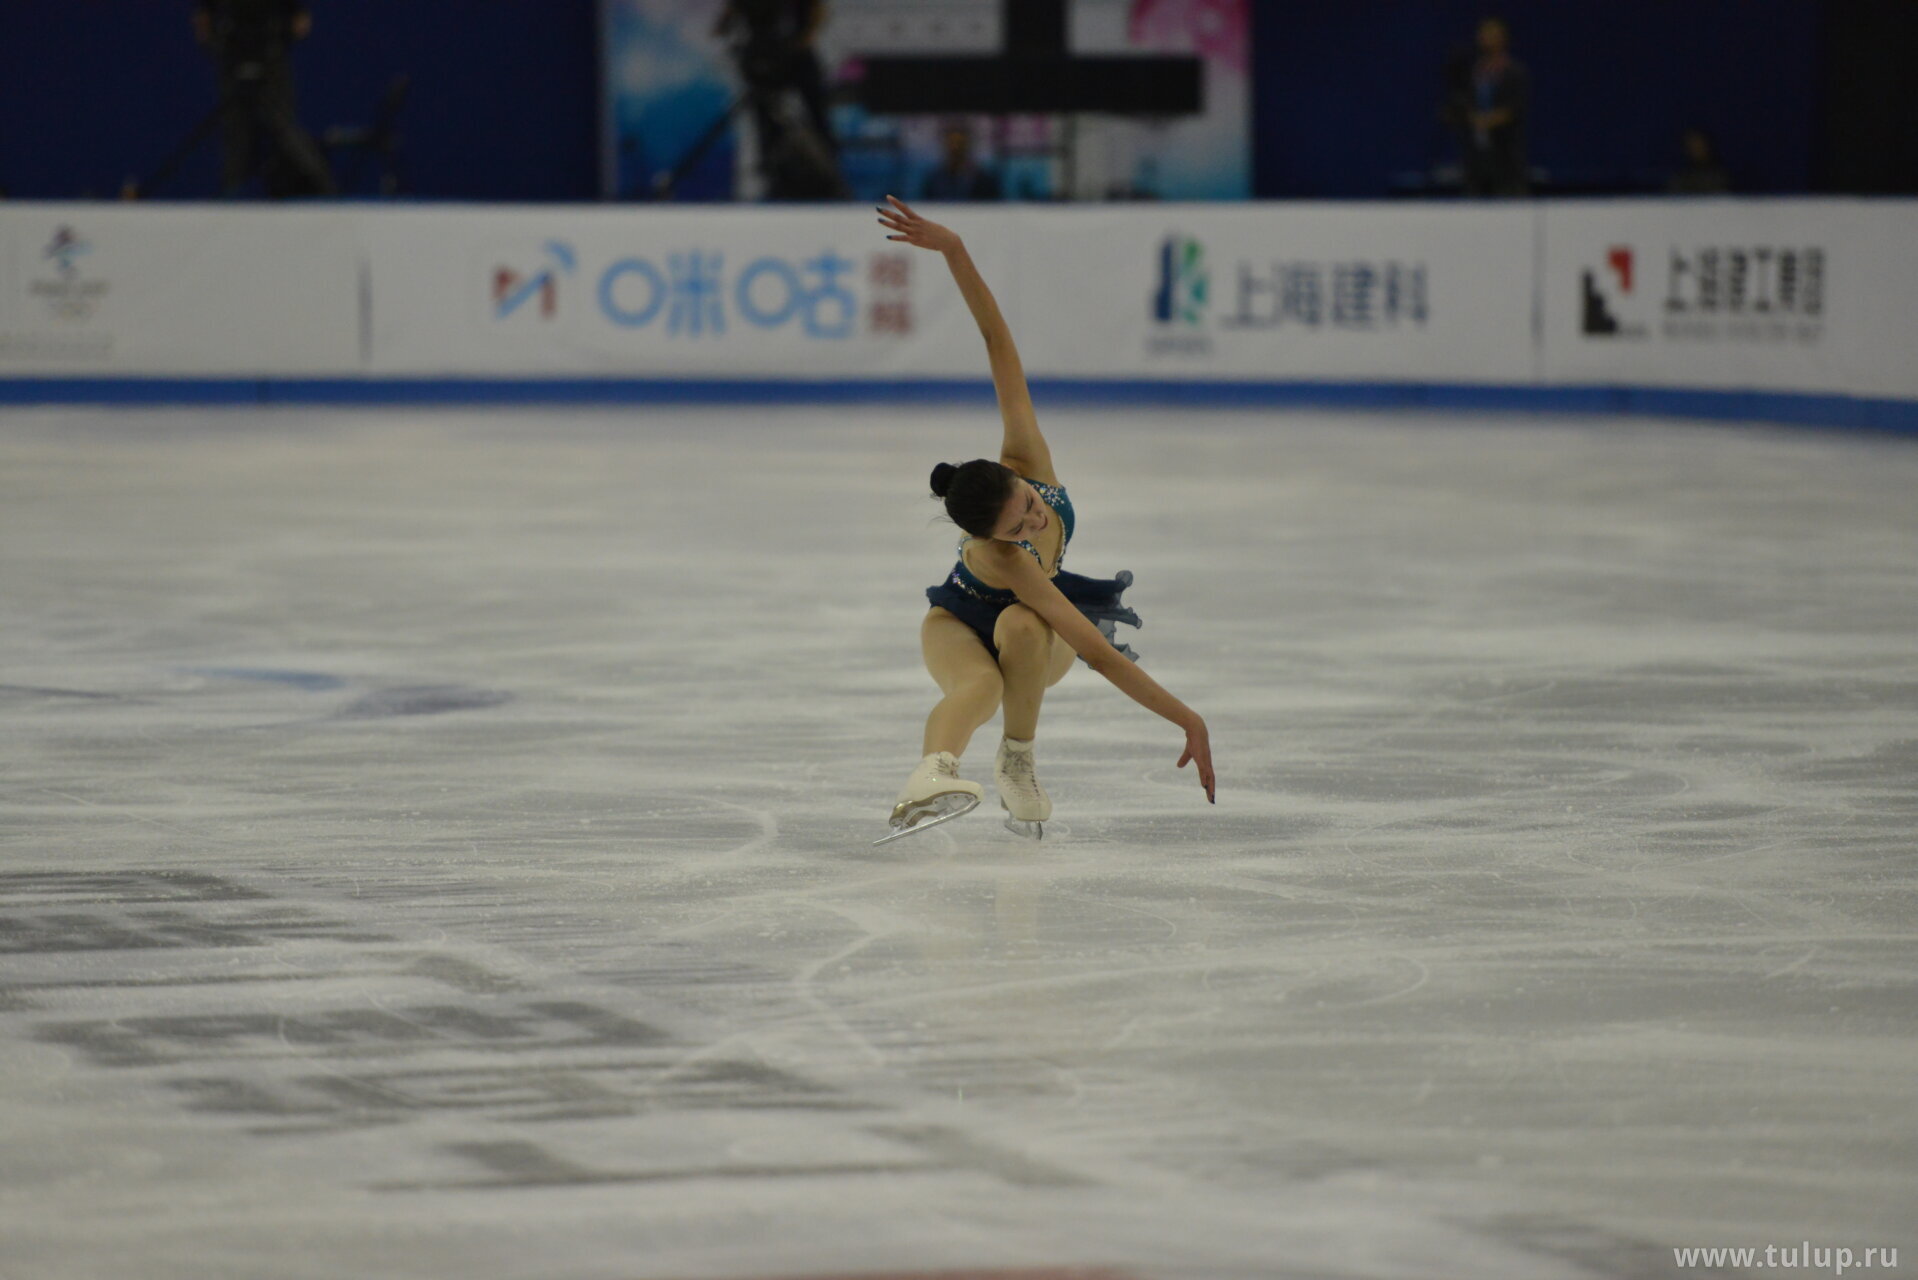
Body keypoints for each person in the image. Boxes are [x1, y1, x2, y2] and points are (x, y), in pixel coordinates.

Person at [873, 196, 1216, 843]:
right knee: (977, 685)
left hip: (1029, 630)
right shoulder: (1004, 559)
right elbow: (1097, 654)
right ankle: (928, 776)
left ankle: (1017, 760)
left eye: (1029, 506)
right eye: (1015, 529)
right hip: (957, 622)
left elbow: (996, 342)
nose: (1032, 523)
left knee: (1024, 627)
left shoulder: (1027, 457)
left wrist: (953, 249)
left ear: (1017, 477)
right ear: (987, 538)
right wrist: (1186, 717)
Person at [193, 0, 336, 197]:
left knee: (282, 127)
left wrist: (281, 37)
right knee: (236, 133)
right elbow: (203, 17)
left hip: (271, 58)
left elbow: (301, 22)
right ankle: (231, 197)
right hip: (232, 56)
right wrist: (214, 41)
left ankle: (326, 190)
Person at [712, 0, 838, 197]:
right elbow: (726, 20)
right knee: (765, 119)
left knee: (816, 114)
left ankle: (829, 171)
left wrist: (802, 39)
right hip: (761, 55)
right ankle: (772, 172)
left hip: (797, 55)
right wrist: (725, 33)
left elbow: (815, 12)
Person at [1444, 16, 1530, 197]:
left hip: (1506, 157)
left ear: (1504, 38)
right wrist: (1466, 117)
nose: (1487, 39)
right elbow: (1464, 106)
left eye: (1493, 34)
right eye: (1484, 34)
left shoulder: (1514, 72)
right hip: (1476, 159)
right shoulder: (1473, 72)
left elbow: (1515, 109)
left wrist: (1485, 121)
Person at [920, 123, 1001, 202]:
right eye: (952, 144)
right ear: (946, 146)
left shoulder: (984, 181)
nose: (956, 149)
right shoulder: (934, 180)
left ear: (967, 146)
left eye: (960, 144)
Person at [1667, 127, 1730, 195]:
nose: (1696, 148)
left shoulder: (1720, 177)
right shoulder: (1681, 178)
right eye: (1692, 145)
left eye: (1699, 145)